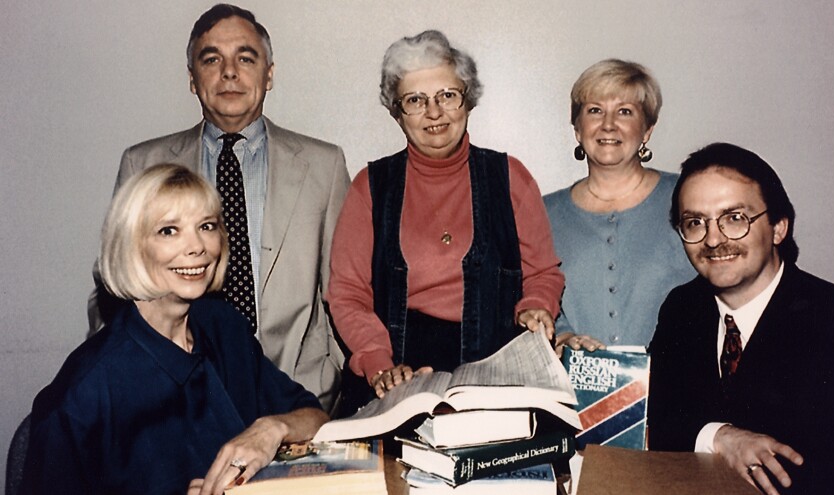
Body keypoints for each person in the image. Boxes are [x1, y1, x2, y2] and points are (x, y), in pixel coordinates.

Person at [87, 4, 350, 411]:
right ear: (193, 79)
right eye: (212, 59)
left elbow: (343, 290)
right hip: (178, 405)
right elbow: (115, 285)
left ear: (269, 73)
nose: (229, 72)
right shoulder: (144, 164)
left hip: (300, 399)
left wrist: (333, 373)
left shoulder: (324, 165)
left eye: (246, 58)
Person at [23, 165, 329, 495]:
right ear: (131, 246)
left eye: (207, 226)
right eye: (169, 230)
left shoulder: (224, 326)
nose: (196, 246)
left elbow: (316, 419)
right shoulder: (84, 393)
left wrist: (271, 429)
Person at [326, 30, 564, 415]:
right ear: (396, 111)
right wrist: (377, 361)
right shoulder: (369, 187)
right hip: (396, 373)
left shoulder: (512, 177)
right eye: (416, 100)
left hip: (495, 373)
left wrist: (535, 305)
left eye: (447, 96)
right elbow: (347, 294)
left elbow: (544, 274)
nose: (434, 113)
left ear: (467, 100)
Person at [648, 143, 834, 494]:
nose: (713, 239)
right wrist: (720, 437)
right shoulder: (682, 308)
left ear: (778, 227)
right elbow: (658, 418)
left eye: (734, 218)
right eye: (695, 222)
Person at [543, 59, 693, 351]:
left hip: (679, 387)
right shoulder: (542, 214)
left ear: (647, 130)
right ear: (577, 128)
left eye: (624, 111)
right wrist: (561, 336)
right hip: (577, 392)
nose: (608, 124)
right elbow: (532, 300)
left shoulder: (688, 197)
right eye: (595, 110)